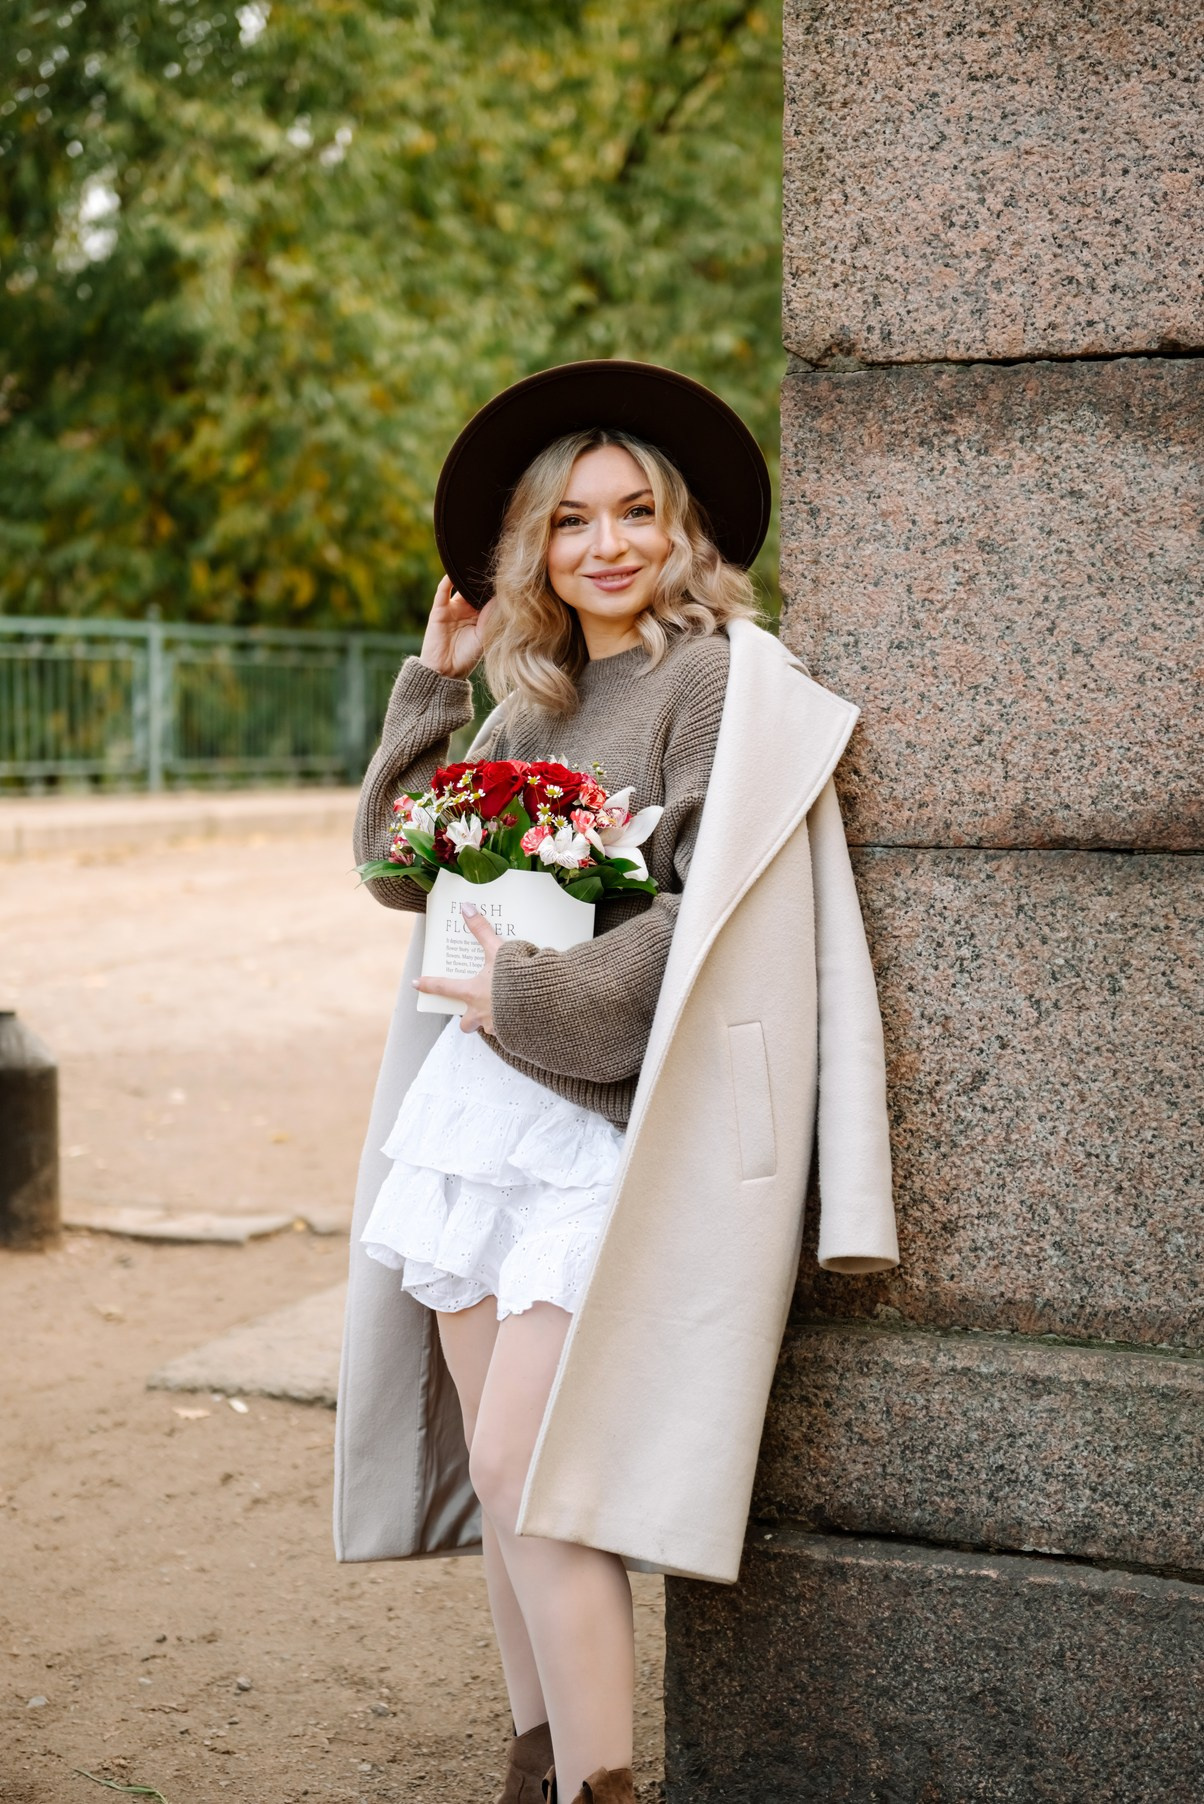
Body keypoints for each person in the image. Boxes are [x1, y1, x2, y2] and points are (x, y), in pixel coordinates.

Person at [335, 361, 900, 1804]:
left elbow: (697, 921)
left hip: (604, 1123)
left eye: (636, 510)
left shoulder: (710, 683)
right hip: (482, 1121)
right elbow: (404, 873)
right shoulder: (535, 697)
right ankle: (537, 1760)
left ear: (681, 527)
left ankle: (602, 1785)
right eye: (573, 521)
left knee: (534, 1460)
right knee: (505, 1466)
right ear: (535, 546)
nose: (607, 543)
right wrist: (435, 688)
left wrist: (525, 994)